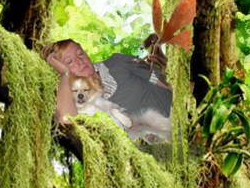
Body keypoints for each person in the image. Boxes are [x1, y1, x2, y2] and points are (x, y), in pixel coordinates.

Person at [41, 39, 173, 128]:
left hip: (181, 115)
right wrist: (65, 74)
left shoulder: (117, 62)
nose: (80, 61)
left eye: (80, 53)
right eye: (69, 62)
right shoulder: (76, 104)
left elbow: (166, 81)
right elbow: (66, 122)